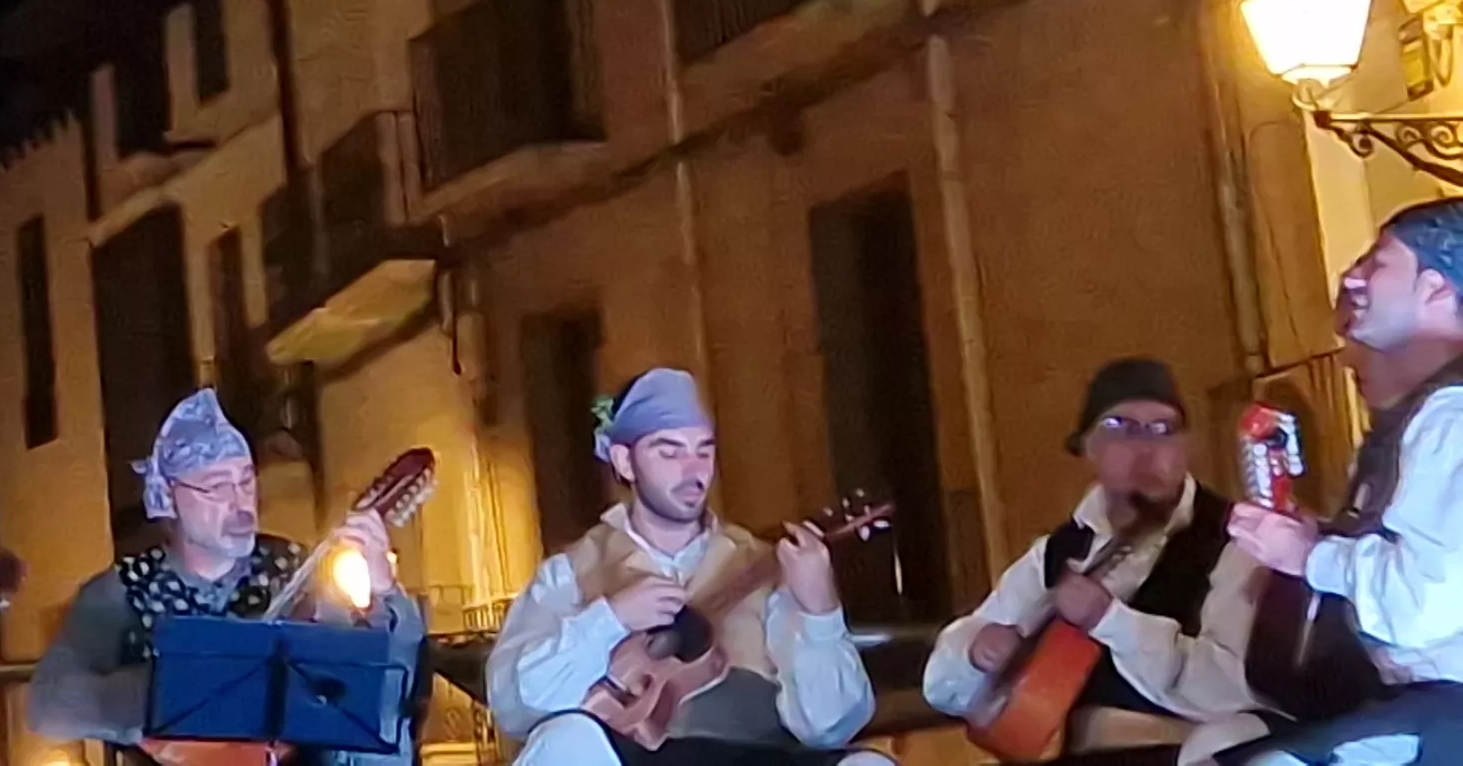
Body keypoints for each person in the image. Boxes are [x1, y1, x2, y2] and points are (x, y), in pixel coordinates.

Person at [487, 367, 884, 766]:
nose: (693, 470)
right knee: (564, 744)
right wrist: (611, 617)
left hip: (749, 759)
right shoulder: (568, 574)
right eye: (670, 451)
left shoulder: (767, 565)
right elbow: (514, 706)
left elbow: (831, 726)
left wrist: (821, 612)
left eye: (703, 450)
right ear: (625, 462)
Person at [29, 389, 420, 761]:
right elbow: (49, 706)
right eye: (216, 488)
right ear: (169, 497)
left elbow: (386, 673)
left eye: (246, 481)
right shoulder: (123, 589)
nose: (240, 503)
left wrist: (385, 591)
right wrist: (176, 692)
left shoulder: (300, 570)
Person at [922, 357, 1260, 766]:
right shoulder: (1057, 551)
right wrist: (977, 651)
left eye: (1163, 429)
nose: (1146, 447)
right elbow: (943, 684)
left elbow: (1231, 687)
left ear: (1185, 448)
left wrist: (1111, 621)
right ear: (1087, 447)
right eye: (1121, 427)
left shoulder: (1236, 540)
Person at [1224, 201, 1463, 763]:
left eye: (1378, 262)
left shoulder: (1452, 419)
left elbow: (1426, 603)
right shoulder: (1428, 415)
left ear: (1435, 291)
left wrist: (1311, 556)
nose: (1351, 277)